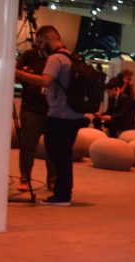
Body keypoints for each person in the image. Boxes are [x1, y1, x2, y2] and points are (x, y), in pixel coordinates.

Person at [14, 25, 86, 206]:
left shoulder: (55, 58)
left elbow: (44, 81)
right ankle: (62, 193)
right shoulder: (71, 57)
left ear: (48, 39)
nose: (39, 46)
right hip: (74, 114)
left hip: (59, 114)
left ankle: (61, 195)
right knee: (63, 155)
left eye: (40, 42)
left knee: (56, 153)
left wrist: (17, 73)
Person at [15, 32, 56, 192]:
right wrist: (24, 74)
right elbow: (15, 76)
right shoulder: (29, 55)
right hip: (31, 108)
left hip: (53, 109)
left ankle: (53, 179)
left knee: (53, 147)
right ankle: (25, 178)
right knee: (28, 145)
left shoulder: (56, 58)